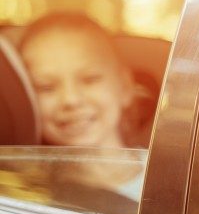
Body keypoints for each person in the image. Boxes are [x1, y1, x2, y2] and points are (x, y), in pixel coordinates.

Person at [18, 12, 144, 200]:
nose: (71, 100)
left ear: (124, 87)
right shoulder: (29, 195)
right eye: (46, 87)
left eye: (90, 79)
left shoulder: (171, 175)